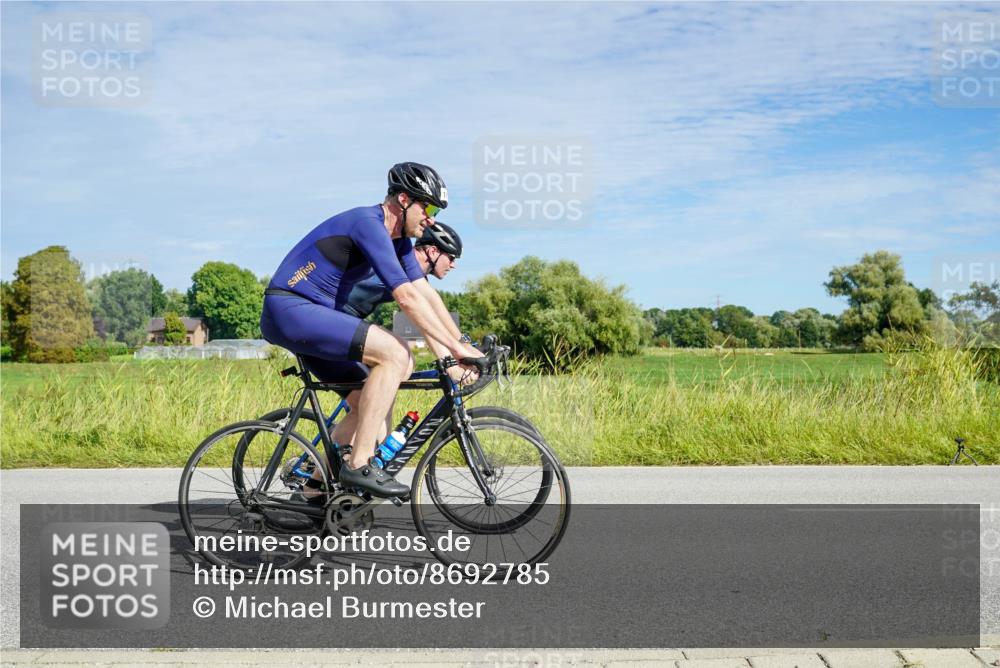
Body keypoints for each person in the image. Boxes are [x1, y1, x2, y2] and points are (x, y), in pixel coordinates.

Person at [260, 163, 482, 498]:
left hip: (316, 315)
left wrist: (461, 346)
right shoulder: (369, 223)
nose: (431, 219)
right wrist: (454, 349)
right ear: (404, 199)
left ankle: (312, 491)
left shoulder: (401, 243)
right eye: (429, 207)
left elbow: (425, 295)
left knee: (369, 400)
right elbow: (406, 298)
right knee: (396, 353)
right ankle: (360, 463)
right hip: (290, 308)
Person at [296, 222, 466, 476]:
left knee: (378, 394)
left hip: (345, 329)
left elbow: (433, 309)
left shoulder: (413, 274)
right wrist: (451, 360)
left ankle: (348, 471)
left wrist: (464, 346)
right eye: (451, 257)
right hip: (328, 328)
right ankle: (323, 479)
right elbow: (423, 317)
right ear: (431, 251)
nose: (453, 265)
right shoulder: (399, 265)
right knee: (377, 389)